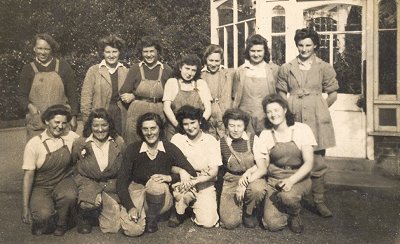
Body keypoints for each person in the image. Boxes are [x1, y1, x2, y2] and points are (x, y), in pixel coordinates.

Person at [276, 28, 339, 218]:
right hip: (294, 115)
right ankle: (292, 199)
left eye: (308, 45)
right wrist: (288, 111)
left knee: (318, 161)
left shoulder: (324, 67)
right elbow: (280, 94)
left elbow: (333, 93)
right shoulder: (287, 68)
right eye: (301, 45)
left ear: (315, 46)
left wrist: (320, 107)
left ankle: (319, 201)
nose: (304, 49)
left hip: (317, 119)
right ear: (297, 45)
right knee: (293, 157)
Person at [117, 113, 196, 235]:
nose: (149, 133)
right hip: (137, 191)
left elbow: (191, 171)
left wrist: (170, 177)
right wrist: (130, 207)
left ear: (160, 129)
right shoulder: (133, 149)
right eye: (145, 129)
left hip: (160, 196)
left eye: (153, 128)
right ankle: (138, 212)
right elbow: (121, 181)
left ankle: (151, 218)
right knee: (133, 231)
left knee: (155, 184)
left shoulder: (169, 148)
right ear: (140, 131)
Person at [255, 94, 316, 233]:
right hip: (275, 180)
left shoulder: (302, 129)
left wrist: (290, 181)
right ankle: (284, 209)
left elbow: (309, 163)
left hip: (299, 178)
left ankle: (294, 213)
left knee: (287, 196)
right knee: (272, 225)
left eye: (276, 110)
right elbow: (264, 164)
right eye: (269, 111)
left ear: (285, 110)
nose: (273, 114)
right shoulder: (265, 134)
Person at [21, 104, 79, 236]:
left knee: (69, 195)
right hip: (41, 186)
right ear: (47, 121)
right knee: (42, 216)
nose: (60, 126)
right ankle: (49, 215)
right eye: (56, 122)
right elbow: (28, 177)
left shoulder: (71, 137)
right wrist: (25, 207)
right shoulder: (34, 144)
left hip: (62, 181)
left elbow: (88, 143)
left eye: (64, 123)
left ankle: (62, 223)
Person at [71, 108, 126, 234]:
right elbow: (74, 166)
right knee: (88, 203)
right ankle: (85, 217)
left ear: (110, 125)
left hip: (110, 184)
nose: (100, 129)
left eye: (104, 125)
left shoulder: (118, 142)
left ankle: (104, 208)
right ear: (90, 126)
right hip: (87, 183)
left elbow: (124, 166)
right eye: (95, 125)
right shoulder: (80, 143)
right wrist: (91, 191)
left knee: (112, 228)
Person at [17, 33, 79, 141]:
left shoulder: (63, 67)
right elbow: (21, 96)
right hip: (37, 125)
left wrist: (73, 116)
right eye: (40, 48)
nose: (43, 52)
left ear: (51, 50)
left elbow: (72, 95)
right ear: (34, 49)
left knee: (63, 154)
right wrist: (29, 106)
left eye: (47, 49)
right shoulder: (28, 69)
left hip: (61, 124)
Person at [169, 105, 222, 228]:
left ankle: (193, 208)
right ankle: (179, 209)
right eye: (186, 124)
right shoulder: (177, 139)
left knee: (208, 222)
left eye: (193, 122)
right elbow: (169, 165)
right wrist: (182, 172)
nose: (190, 127)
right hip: (182, 181)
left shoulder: (210, 140)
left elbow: (214, 171)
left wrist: (196, 181)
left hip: (204, 181)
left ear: (199, 121)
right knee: (181, 195)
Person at [219, 108, 267, 229]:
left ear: (245, 125)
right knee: (229, 223)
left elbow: (262, 169)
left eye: (239, 126)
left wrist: (244, 184)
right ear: (226, 125)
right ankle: (237, 207)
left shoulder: (253, 139)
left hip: (253, 177)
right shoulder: (221, 142)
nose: (235, 129)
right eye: (231, 125)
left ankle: (249, 212)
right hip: (231, 179)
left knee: (257, 189)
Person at [120, 36, 173, 145]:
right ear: (141, 53)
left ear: (157, 51)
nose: (149, 55)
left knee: (159, 143)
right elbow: (124, 93)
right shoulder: (135, 69)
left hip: (159, 111)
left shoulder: (166, 69)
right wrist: (134, 97)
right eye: (145, 52)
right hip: (137, 112)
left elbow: (173, 95)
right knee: (134, 143)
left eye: (151, 51)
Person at [80, 34, 129, 136]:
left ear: (119, 53)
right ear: (103, 53)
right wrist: (87, 123)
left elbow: (133, 92)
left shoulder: (125, 71)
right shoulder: (94, 71)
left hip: (119, 117)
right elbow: (86, 99)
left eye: (114, 52)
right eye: (108, 52)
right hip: (100, 116)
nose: (111, 55)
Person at [232, 34, 279, 135]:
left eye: (259, 51)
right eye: (253, 51)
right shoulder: (240, 71)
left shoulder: (273, 70)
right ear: (248, 52)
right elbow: (235, 96)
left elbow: (277, 95)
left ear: (265, 51)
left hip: (266, 117)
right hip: (245, 118)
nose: (256, 54)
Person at [163, 54, 212, 140]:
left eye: (193, 70)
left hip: (196, 130)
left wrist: (198, 125)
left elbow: (208, 109)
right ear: (180, 68)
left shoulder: (201, 84)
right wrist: (178, 126)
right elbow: (166, 108)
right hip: (175, 128)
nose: (189, 73)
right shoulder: (172, 82)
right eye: (187, 68)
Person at [201, 44, 233, 139]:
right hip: (207, 113)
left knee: (224, 139)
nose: (214, 64)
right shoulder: (201, 75)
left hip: (223, 112)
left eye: (217, 61)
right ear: (206, 59)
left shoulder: (227, 74)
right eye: (211, 60)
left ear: (221, 60)